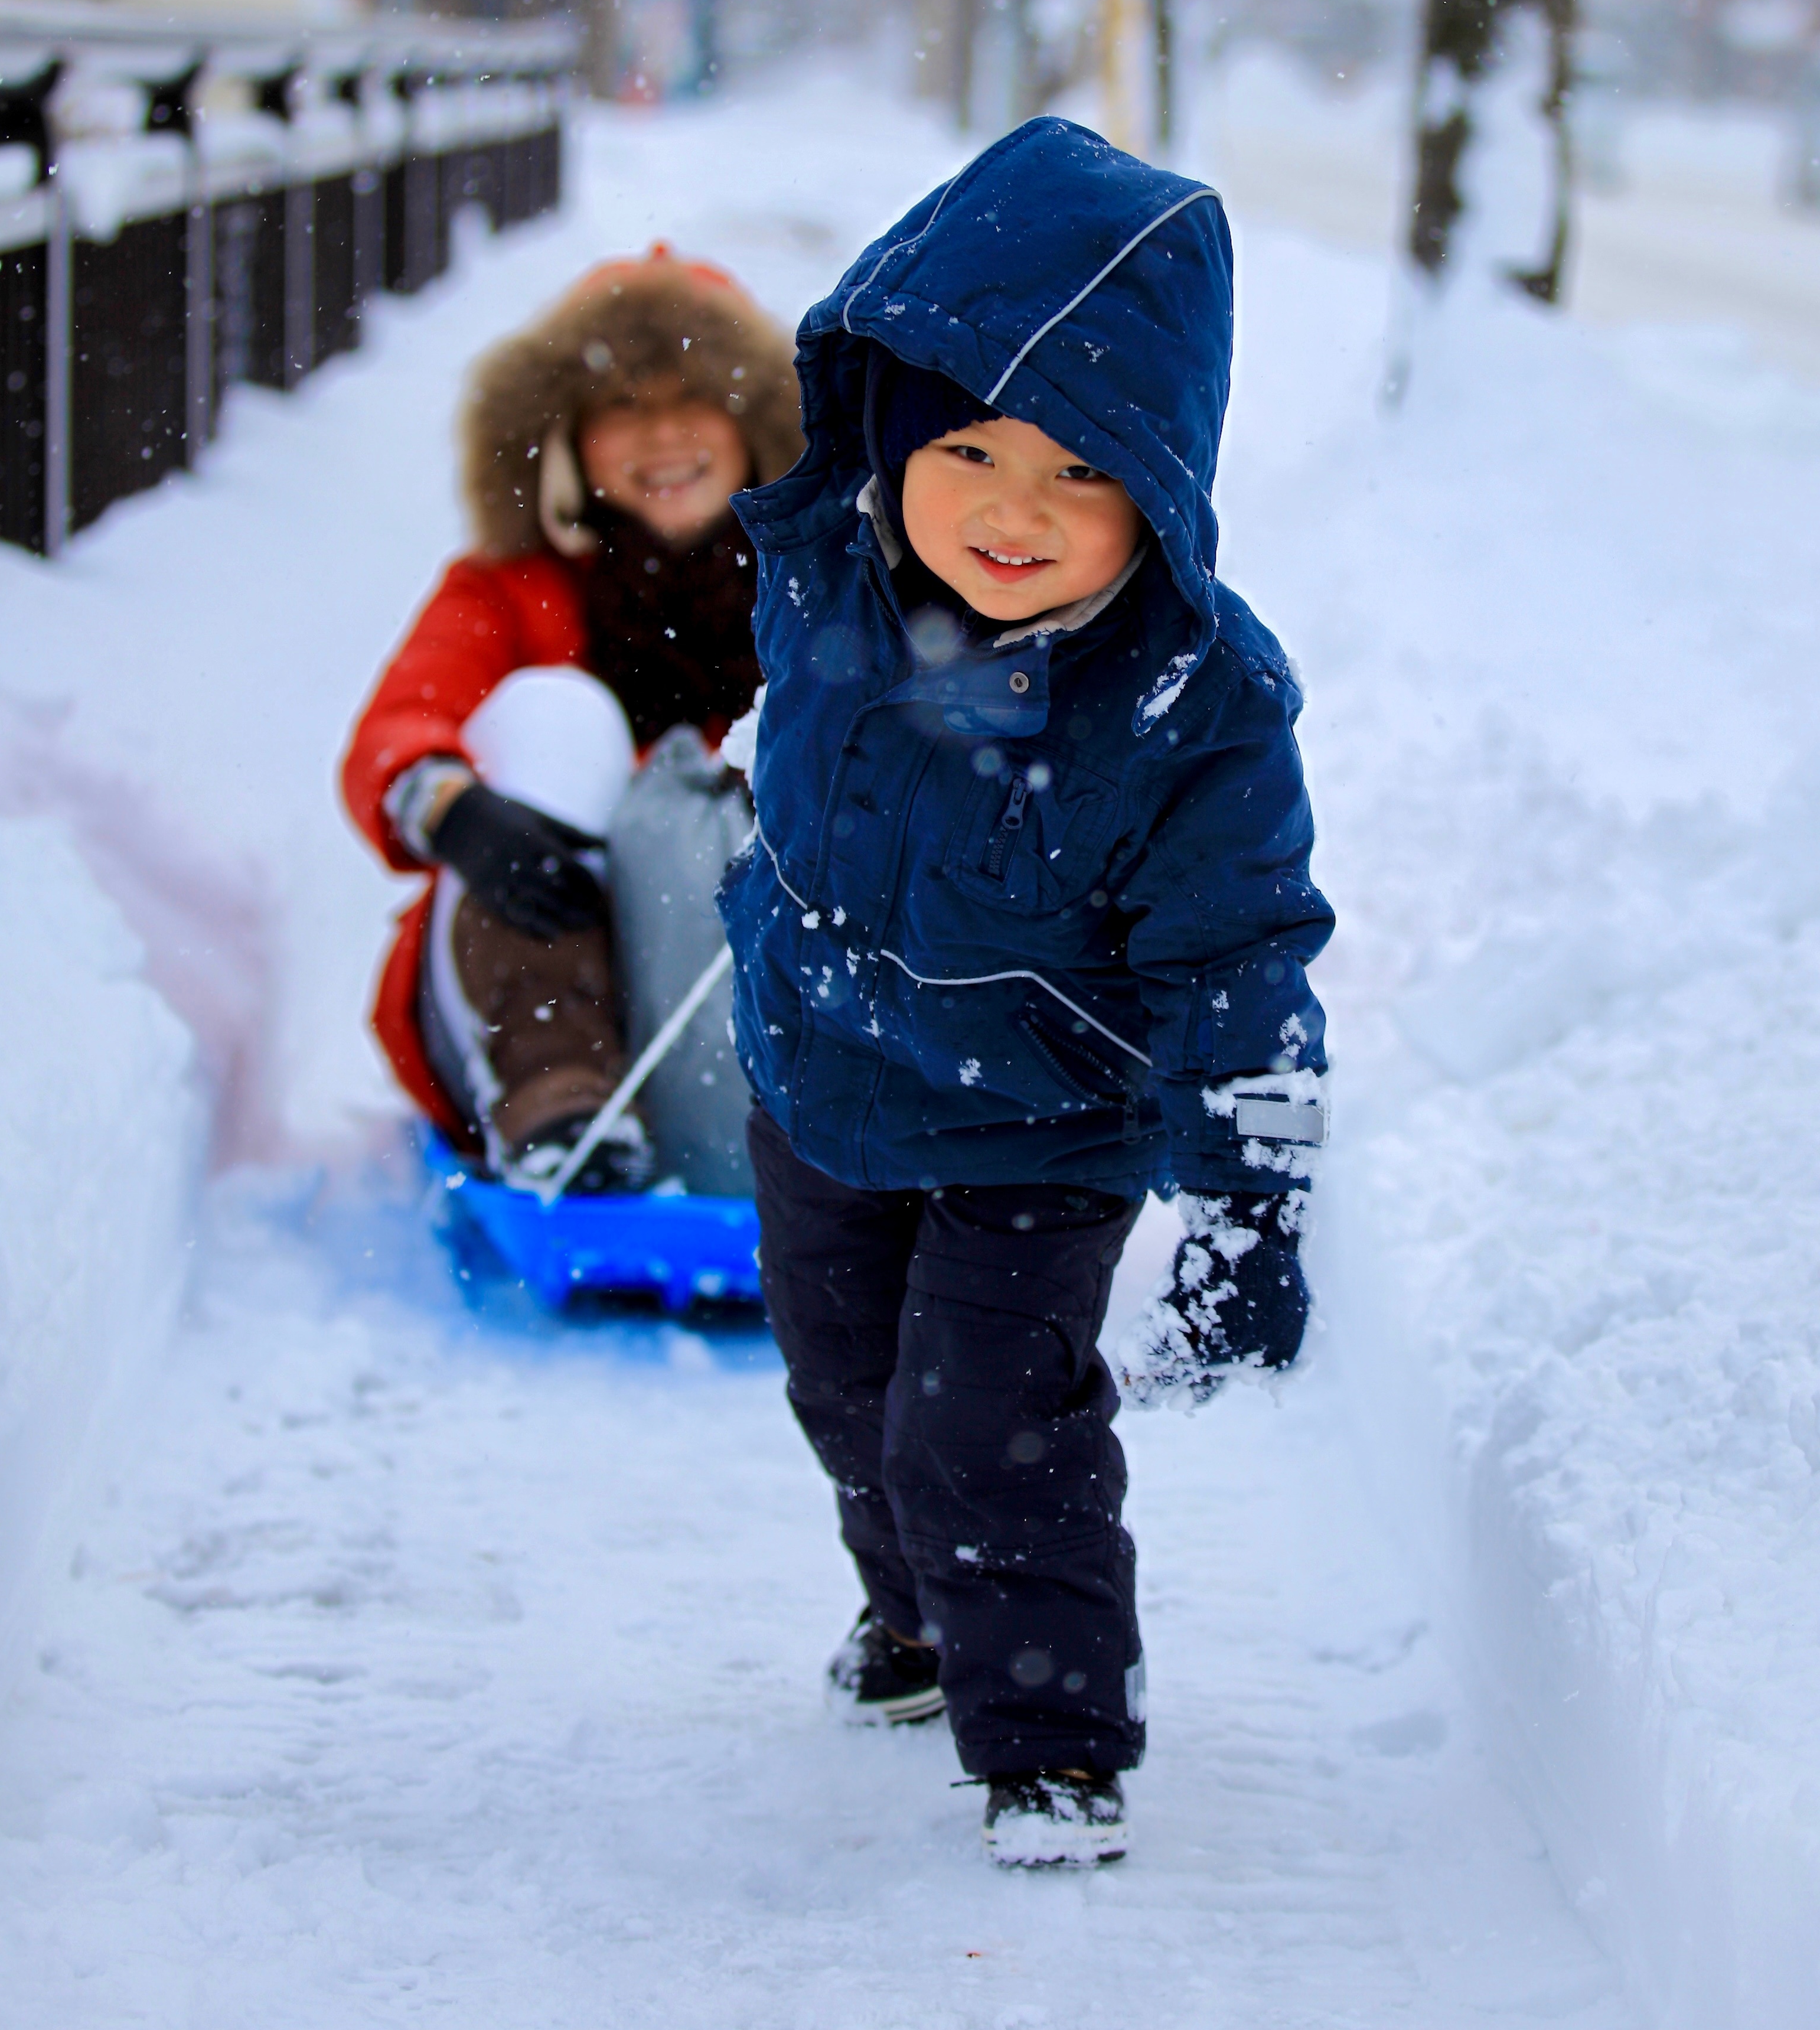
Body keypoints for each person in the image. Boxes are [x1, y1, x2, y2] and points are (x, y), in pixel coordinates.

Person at [722, 118, 1333, 1868]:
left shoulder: (1191, 705)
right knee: (847, 1391)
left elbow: (1240, 958)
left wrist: (1245, 1201)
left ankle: (1052, 1734)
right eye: (972, 449)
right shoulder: (825, 580)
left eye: (1081, 471)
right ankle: (916, 1618)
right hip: (824, 1074)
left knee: (984, 1421)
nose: (1012, 511)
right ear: (889, 436)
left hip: (1044, 1122)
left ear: (1160, 483)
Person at [340, 245, 802, 1188]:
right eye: (623, 409)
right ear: (566, 439)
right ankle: (564, 1109)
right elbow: (397, 730)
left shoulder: (825, 596)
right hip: (550, 979)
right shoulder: (511, 592)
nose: (662, 438)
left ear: (754, 423)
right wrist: (455, 810)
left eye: (692, 402)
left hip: (747, 1002)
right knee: (556, 713)